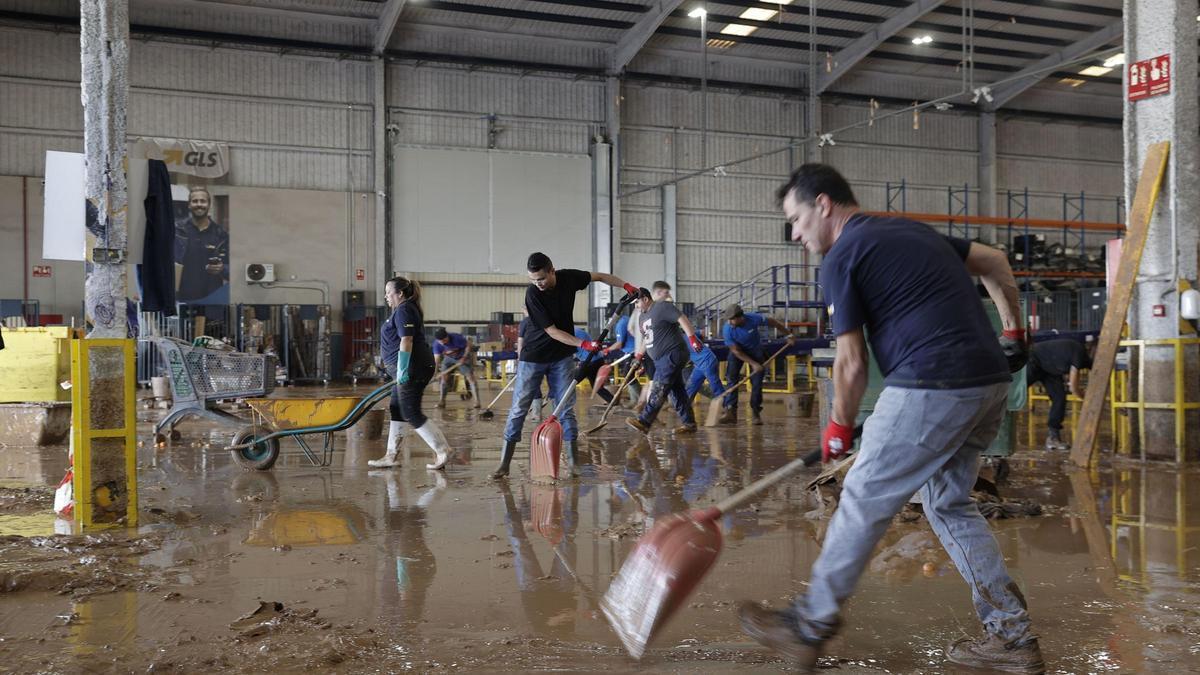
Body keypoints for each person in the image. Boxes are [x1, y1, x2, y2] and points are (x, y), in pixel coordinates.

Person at [737, 164, 1042, 674]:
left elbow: (851, 363)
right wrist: (1013, 333)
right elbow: (994, 260)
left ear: (824, 205)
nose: (795, 233)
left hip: (933, 382)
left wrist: (838, 428)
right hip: (989, 381)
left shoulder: (842, 257)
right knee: (948, 504)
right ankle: (1011, 638)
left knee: (861, 499)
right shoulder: (911, 231)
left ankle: (806, 627)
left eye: (795, 219)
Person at [491, 252, 638, 479]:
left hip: (561, 357)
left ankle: (573, 463)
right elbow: (552, 332)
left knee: (566, 408)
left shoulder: (569, 278)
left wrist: (626, 285)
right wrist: (584, 344)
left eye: (541, 278)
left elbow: (600, 276)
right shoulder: (533, 294)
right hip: (533, 358)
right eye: (533, 280)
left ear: (552, 270)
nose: (538, 284)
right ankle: (504, 464)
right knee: (520, 408)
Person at [368, 277, 456, 471]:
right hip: (413, 365)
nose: (386, 296)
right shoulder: (403, 309)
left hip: (413, 367)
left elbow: (406, 340)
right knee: (397, 408)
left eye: (388, 292)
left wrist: (402, 369)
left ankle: (443, 450)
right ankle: (391, 455)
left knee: (410, 411)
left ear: (400, 293)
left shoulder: (405, 309)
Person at [626, 287, 704, 434]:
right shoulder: (642, 316)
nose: (635, 306)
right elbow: (646, 339)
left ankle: (644, 421)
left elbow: (682, 318)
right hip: (661, 359)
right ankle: (689, 424)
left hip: (673, 354)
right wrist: (638, 357)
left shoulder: (662, 307)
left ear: (645, 299)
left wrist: (692, 338)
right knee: (677, 391)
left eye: (637, 302)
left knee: (659, 386)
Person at [649, 281, 725, 405]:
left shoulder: (677, 336)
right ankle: (686, 412)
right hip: (699, 364)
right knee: (690, 389)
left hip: (707, 361)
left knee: (717, 388)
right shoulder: (678, 334)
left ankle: (728, 407)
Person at [718, 304, 793, 425]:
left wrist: (788, 335)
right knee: (732, 379)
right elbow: (736, 351)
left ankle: (755, 413)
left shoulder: (753, 318)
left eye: (732, 319)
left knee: (757, 382)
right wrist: (753, 364)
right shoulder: (728, 329)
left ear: (740, 317)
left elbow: (774, 323)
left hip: (755, 349)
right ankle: (731, 412)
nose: (730, 322)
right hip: (738, 352)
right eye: (729, 319)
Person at [1027, 338, 1093, 450]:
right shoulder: (1079, 353)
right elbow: (1073, 386)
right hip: (1034, 360)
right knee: (1014, 394)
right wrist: (1084, 396)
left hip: (1050, 370)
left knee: (1059, 398)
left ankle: (1053, 438)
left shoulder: (1084, 357)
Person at [174, 187, 229, 304]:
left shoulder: (221, 234)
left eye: (203, 201)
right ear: (189, 205)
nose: (199, 204)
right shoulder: (176, 231)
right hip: (182, 299)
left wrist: (222, 268)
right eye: (195, 201)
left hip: (212, 298)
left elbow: (231, 267)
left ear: (209, 205)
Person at [433, 327, 480, 409]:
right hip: (448, 359)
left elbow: (468, 346)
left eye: (444, 340)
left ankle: (477, 402)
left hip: (462, 357)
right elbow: (437, 360)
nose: (443, 343)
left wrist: (464, 357)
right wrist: (435, 373)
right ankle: (442, 401)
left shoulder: (456, 338)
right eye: (441, 341)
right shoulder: (436, 345)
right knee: (444, 378)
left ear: (447, 336)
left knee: (470, 377)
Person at [573, 327, 615, 404]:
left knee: (571, 382)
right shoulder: (578, 330)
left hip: (589, 361)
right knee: (597, 386)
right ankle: (613, 401)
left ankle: (563, 403)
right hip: (598, 359)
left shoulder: (571, 332)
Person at [515, 310, 544, 422]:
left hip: (529, 357)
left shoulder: (525, 322)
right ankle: (535, 411)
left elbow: (520, 340)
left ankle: (536, 414)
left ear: (524, 310)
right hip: (543, 355)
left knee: (530, 384)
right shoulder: (542, 320)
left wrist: (519, 356)